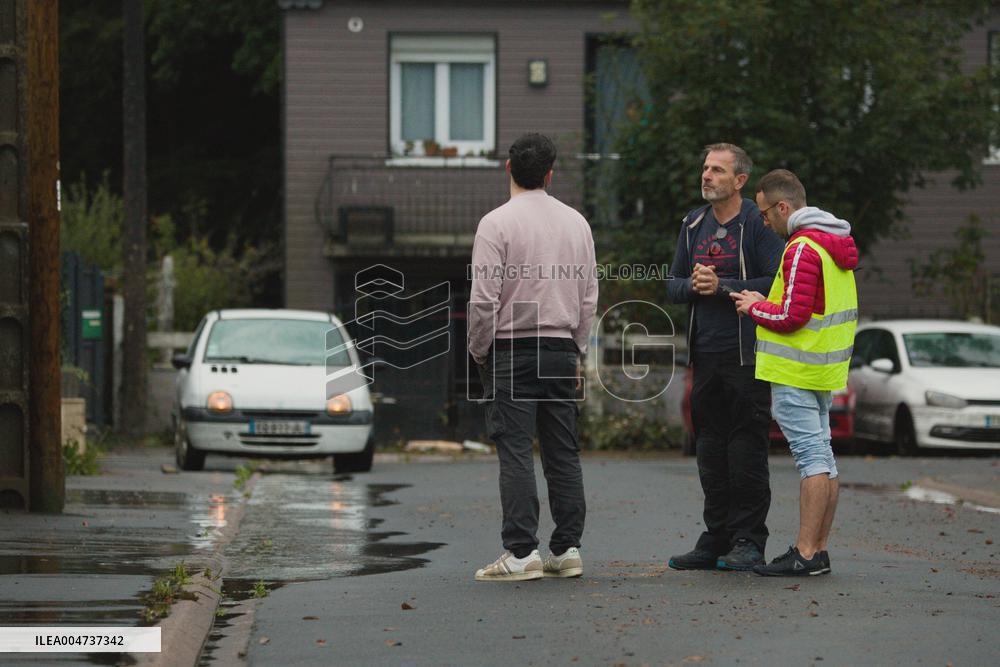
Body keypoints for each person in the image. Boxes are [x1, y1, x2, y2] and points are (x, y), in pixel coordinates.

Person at [468, 133, 599, 582]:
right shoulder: (577, 224)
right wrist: (576, 346)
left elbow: (483, 299)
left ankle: (521, 552)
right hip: (560, 345)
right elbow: (588, 298)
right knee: (563, 451)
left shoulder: (496, 224)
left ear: (508, 168)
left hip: (513, 346)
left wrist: (479, 348)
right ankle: (566, 549)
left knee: (516, 450)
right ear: (549, 173)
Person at [730, 169, 858, 576]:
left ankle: (804, 552)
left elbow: (791, 314)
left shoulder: (802, 247)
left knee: (812, 459)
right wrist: (763, 299)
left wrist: (754, 306)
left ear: (783, 206)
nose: (764, 220)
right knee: (825, 458)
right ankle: (817, 550)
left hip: (796, 370)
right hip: (822, 368)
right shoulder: (833, 243)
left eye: (765, 212)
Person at [666, 143, 784, 571]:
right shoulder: (693, 223)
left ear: (740, 180)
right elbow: (673, 285)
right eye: (705, 168)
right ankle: (715, 537)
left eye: (717, 170)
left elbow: (776, 282)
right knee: (710, 451)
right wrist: (696, 285)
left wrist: (721, 285)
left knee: (746, 451)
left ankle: (749, 540)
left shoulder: (757, 222)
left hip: (747, 357)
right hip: (705, 357)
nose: (707, 175)